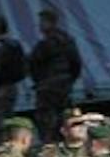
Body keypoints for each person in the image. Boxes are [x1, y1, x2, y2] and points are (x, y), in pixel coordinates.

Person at [28, 8, 84, 142]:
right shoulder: (67, 40)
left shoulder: (45, 44)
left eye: (42, 22)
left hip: (48, 89)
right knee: (63, 120)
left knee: (46, 124)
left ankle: (50, 148)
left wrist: (39, 82)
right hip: (63, 87)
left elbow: (33, 64)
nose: (40, 26)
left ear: (49, 22)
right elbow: (76, 63)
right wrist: (69, 81)